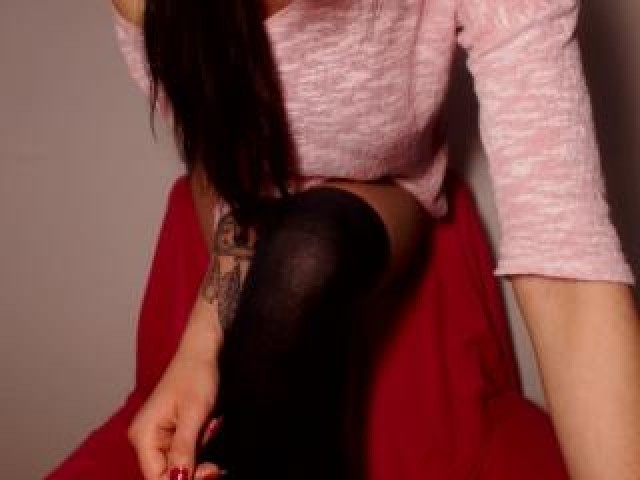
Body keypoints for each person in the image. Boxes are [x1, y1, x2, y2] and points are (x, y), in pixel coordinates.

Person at [110, 0, 640, 479]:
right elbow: (221, 157)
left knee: (306, 249)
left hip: (386, 190)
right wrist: (204, 339)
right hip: (248, 215)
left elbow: (568, 272)